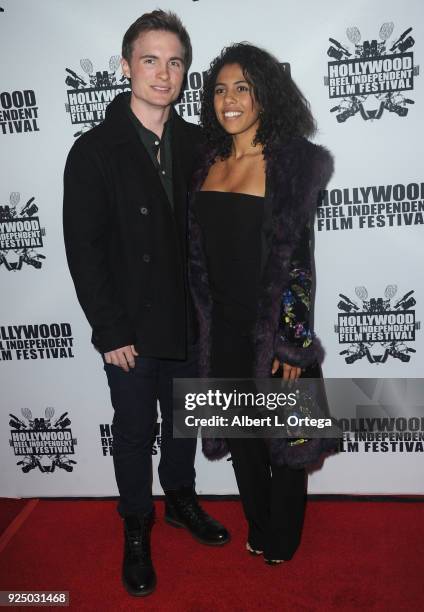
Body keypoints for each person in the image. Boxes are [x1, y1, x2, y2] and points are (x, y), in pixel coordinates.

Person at [63, 10, 229, 598]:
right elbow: (84, 250)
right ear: (127, 65)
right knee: (135, 431)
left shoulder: (199, 143)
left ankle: (181, 501)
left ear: (186, 71)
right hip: (128, 329)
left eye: (175, 61)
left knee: (184, 424)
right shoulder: (95, 150)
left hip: (187, 321)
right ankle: (137, 524)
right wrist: (109, 330)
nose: (163, 72)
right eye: (150, 59)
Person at [189, 43, 334, 564]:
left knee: (289, 442)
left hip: (273, 328)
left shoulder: (291, 163)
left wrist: (294, 342)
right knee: (243, 439)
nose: (229, 100)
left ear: (264, 97)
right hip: (221, 328)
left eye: (242, 88)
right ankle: (258, 523)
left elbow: (300, 259)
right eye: (221, 90)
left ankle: (284, 538)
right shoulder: (205, 163)